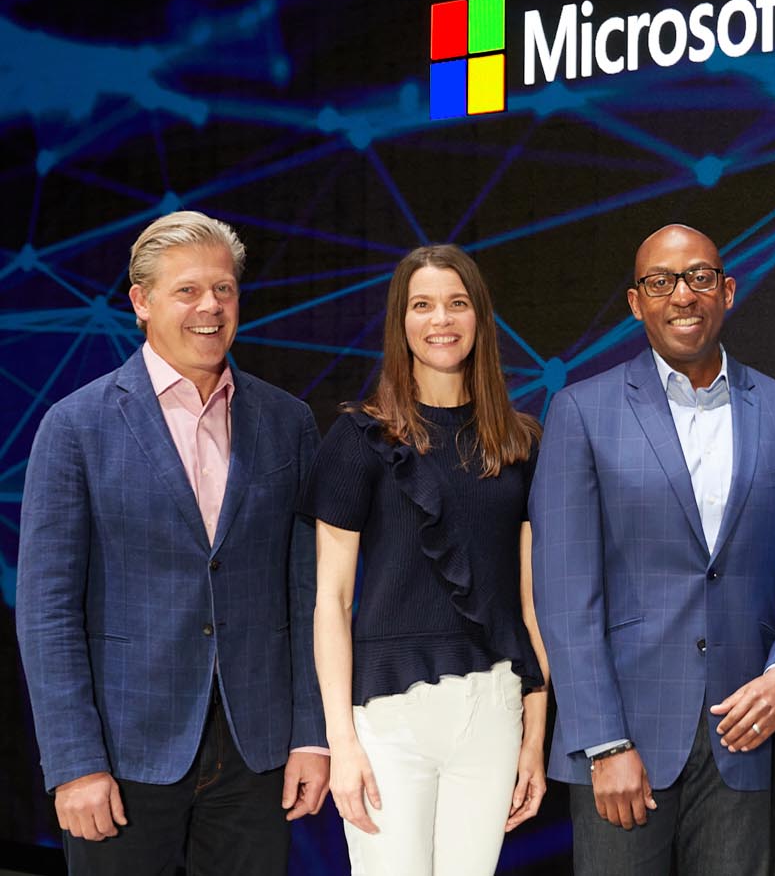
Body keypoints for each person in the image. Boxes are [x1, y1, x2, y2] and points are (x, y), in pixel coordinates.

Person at [16, 210, 331, 873]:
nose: (209, 306)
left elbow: (306, 593)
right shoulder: (75, 426)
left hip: (258, 752)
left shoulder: (288, 422)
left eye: (223, 288)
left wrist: (312, 734)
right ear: (141, 302)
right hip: (125, 757)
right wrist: (74, 762)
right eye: (187, 290)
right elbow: (47, 611)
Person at [532, 223, 775, 874]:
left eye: (700, 276)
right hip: (621, 746)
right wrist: (604, 740)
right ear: (636, 301)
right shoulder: (581, 412)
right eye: (661, 281)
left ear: (727, 291)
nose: (683, 294)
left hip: (745, 738)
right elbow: (565, 595)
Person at [301, 244, 550, 874]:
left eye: (457, 303)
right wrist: (342, 742)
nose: (441, 319)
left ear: (479, 318)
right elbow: (330, 600)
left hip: (493, 711)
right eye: (422, 305)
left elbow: (530, 603)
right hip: (387, 718)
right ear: (401, 322)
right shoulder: (359, 440)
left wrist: (534, 736)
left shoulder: (520, 442)